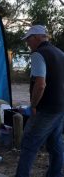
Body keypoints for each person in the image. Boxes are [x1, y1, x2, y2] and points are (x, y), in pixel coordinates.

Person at [15, 25, 64, 177]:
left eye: (28, 40)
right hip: (60, 107)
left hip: (46, 108)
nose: (27, 43)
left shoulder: (38, 54)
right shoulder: (60, 53)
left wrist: (34, 105)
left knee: (29, 144)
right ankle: (55, 174)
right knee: (55, 144)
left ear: (36, 37)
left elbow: (40, 84)